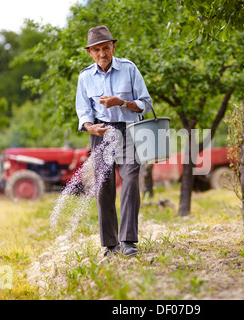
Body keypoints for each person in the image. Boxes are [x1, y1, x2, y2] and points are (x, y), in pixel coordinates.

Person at [75, 25, 152, 258]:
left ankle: (128, 241)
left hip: (129, 130)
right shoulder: (85, 77)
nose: (102, 54)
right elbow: (83, 111)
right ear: (89, 52)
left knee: (130, 180)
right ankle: (110, 245)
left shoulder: (129, 69)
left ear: (113, 47)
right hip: (101, 133)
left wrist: (121, 102)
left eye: (105, 48)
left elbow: (145, 104)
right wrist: (90, 127)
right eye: (96, 49)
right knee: (104, 188)